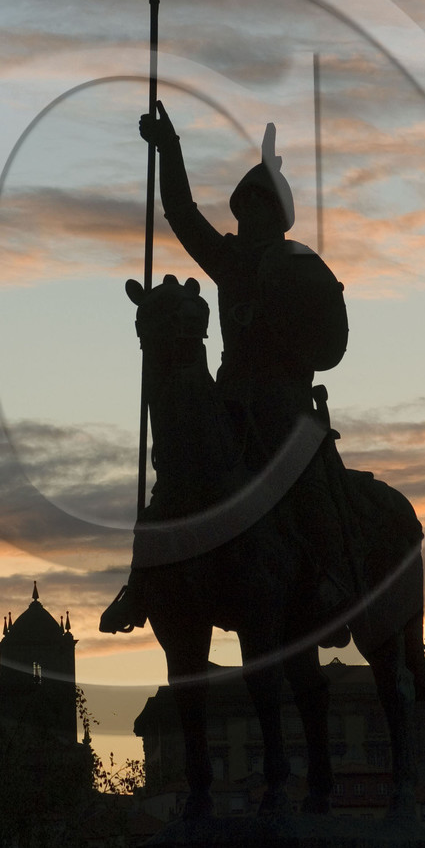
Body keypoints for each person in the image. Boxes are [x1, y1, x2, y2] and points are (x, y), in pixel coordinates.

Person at [101, 101, 351, 634]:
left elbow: (325, 340)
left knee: (302, 477)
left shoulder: (300, 266)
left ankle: (332, 579)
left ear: (274, 214)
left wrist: (268, 320)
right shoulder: (231, 260)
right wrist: (170, 149)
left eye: (256, 205)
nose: (245, 214)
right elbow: (183, 213)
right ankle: (142, 582)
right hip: (230, 393)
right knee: (173, 469)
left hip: (283, 398)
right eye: (243, 205)